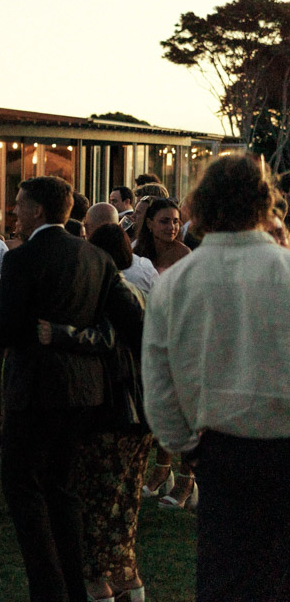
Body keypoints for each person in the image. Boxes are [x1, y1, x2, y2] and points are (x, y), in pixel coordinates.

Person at [0, 176, 142, 602]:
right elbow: (132, 324)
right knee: (62, 490)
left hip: (35, 391)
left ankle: (49, 590)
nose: (14, 212)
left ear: (37, 210)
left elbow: (9, 330)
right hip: (84, 395)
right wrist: (79, 336)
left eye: (18, 204)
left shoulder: (22, 260)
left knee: (23, 488)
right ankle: (74, 588)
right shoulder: (96, 257)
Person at [143, 155, 290, 601]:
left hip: (221, 449)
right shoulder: (285, 271)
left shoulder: (177, 281)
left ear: (202, 205)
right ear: (265, 203)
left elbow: (159, 384)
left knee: (228, 578)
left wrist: (185, 446)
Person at [56, 226, 149, 602]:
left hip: (112, 411)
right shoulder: (134, 291)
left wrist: (62, 333)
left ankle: (98, 583)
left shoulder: (111, 292)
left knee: (97, 503)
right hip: (137, 413)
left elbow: (105, 339)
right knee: (124, 505)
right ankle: (128, 580)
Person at [132, 197, 195, 506]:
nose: (171, 227)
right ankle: (160, 470)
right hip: (148, 337)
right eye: (164, 221)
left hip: (181, 338)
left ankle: (186, 480)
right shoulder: (137, 252)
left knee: (183, 409)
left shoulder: (185, 255)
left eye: (174, 221)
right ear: (149, 224)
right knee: (157, 406)